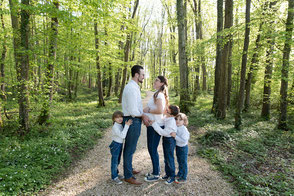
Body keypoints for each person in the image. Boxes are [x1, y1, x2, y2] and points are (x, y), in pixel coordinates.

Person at [142, 76, 169, 182]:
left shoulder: (160, 95)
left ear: (162, 83)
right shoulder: (157, 93)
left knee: (152, 149)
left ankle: (156, 173)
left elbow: (159, 110)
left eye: (157, 80)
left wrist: (147, 109)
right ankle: (155, 171)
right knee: (152, 148)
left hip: (155, 125)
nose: (154, 81)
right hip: (153, 125)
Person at [121, 65, 145, 185]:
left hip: (135, 120)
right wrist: (143, 116)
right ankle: (128, 176)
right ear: (136, 75)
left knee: (132, 147)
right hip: (132, 120)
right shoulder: (131, 88)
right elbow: (132, 110)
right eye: (142, 74)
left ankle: (129, 169)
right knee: (129, 148)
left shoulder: (135, 87)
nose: (143, 77)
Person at [150, 105, 180, 185]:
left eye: (167, 111)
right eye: (166, 109)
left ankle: (172, 176)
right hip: (166, 139)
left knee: (170, 158)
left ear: (172, 115)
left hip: (170, 140)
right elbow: (161, 121)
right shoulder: (167, 117)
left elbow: (163, 132)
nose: (165, 111)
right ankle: (168, 174)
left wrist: (154, 125)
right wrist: (154, 121)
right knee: (166, 158)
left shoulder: (171, 122)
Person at [109, 111, 132, 184]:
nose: (120, 119)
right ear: (114, 119)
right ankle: (114, 177)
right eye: (117, 117)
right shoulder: (115, 126)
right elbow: (122, 135)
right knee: (114, 162)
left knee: (117, 161)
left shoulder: (119, 124)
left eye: (121, 117)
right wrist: (127, 126)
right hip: (116, 145)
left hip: (119, 144)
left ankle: (116, 173)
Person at [171, 113, 190, 184]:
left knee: (183, 162)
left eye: (180, 120)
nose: (177, 121)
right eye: (176, 119)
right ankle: (180, 174)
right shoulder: (177, 127)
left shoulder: (183, 129)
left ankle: (183, 177)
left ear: (184, 122)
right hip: (178, 147)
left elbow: (184, 140)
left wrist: (175, 136)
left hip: (183, 148)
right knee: (179, 161)